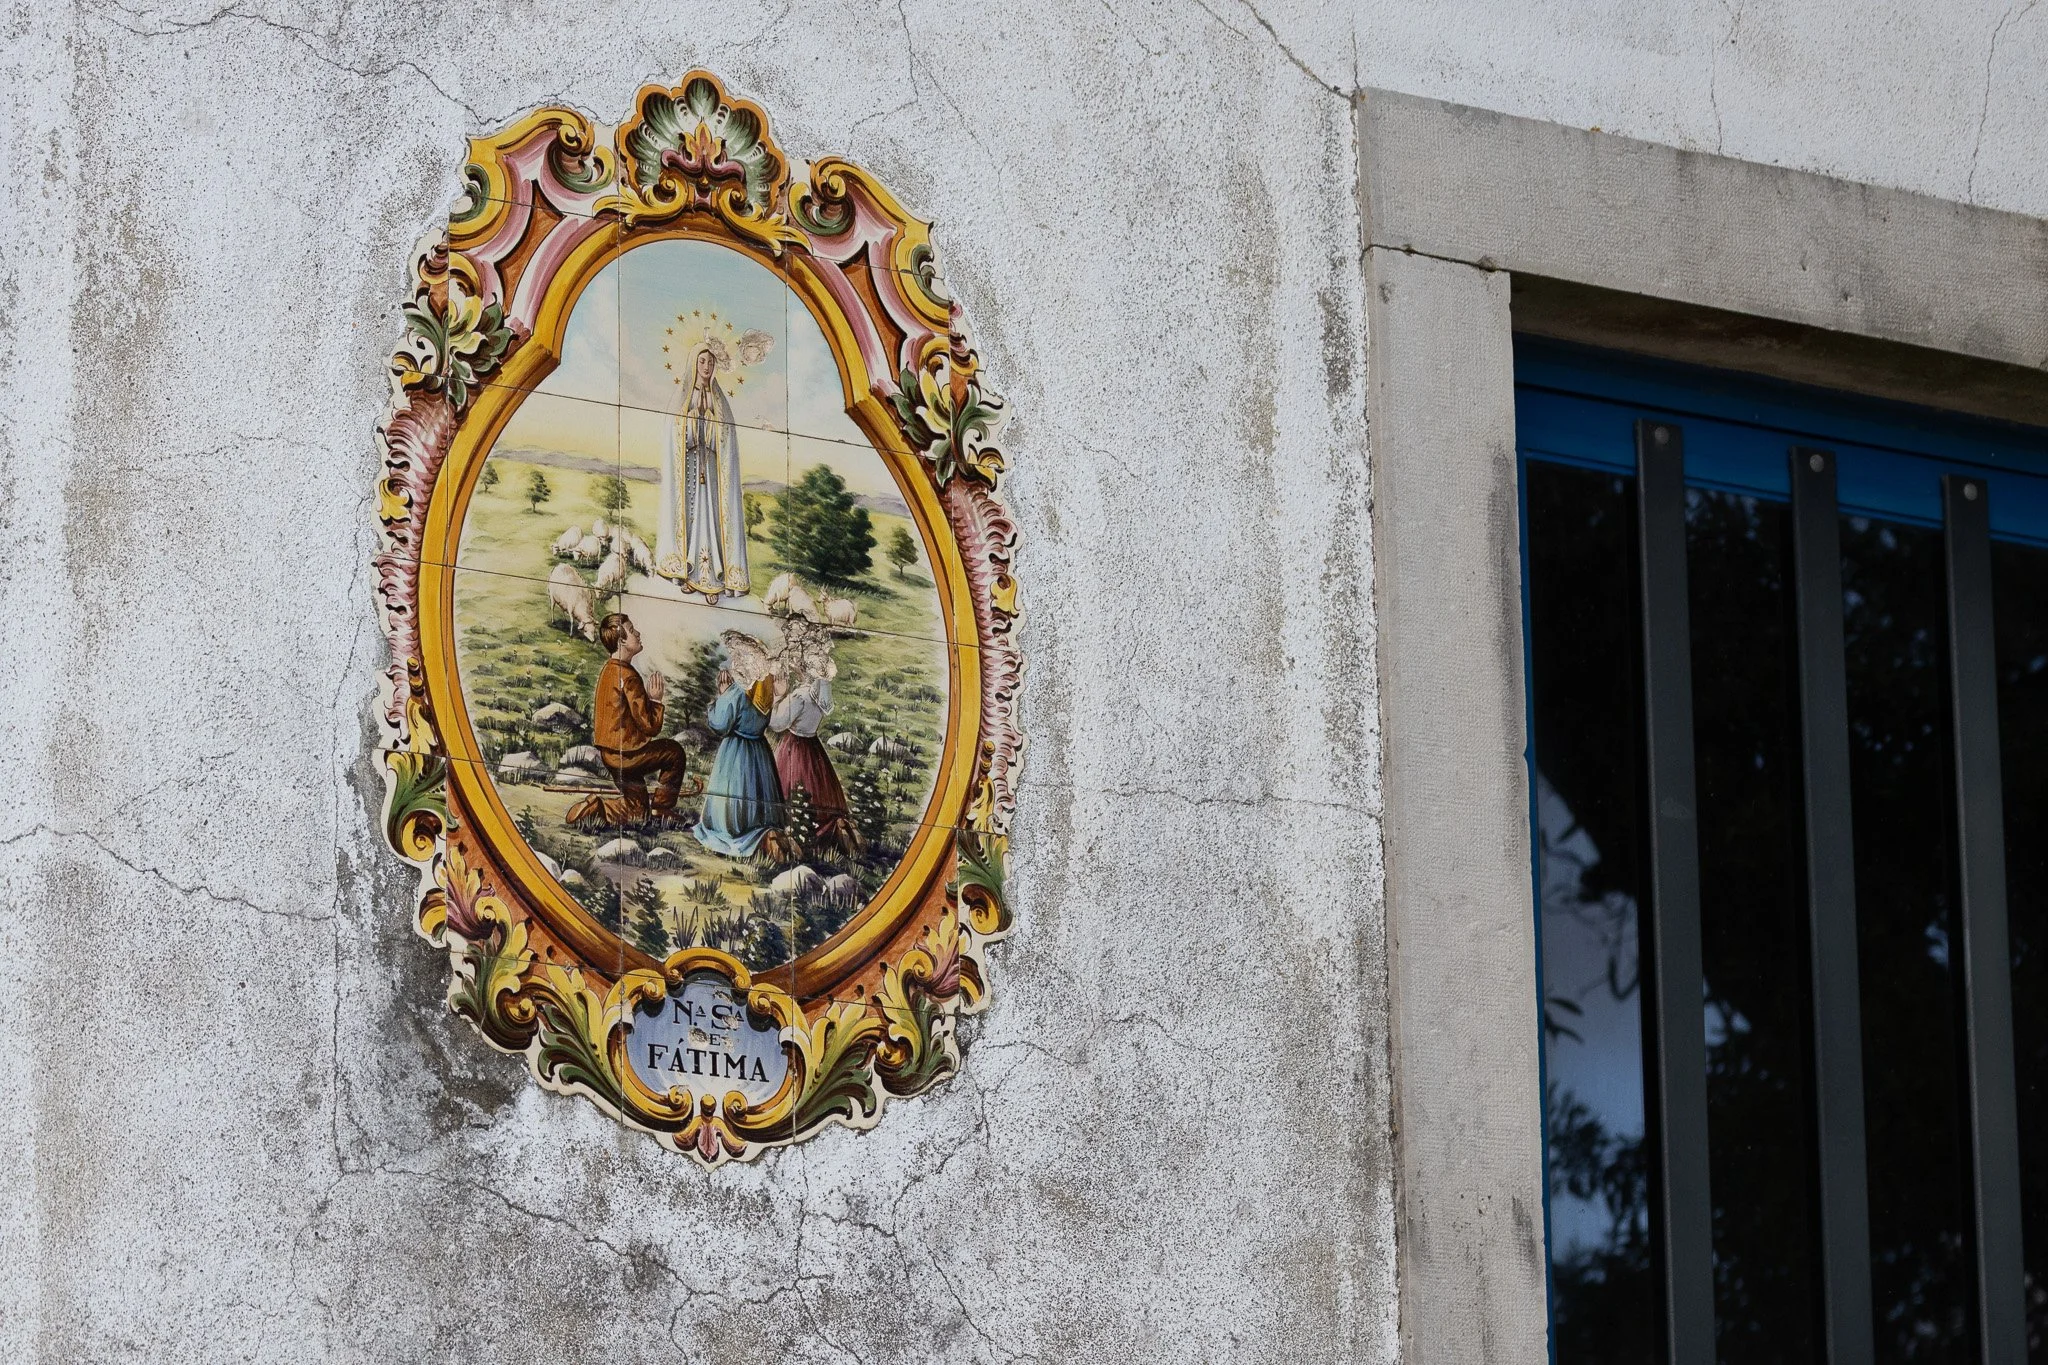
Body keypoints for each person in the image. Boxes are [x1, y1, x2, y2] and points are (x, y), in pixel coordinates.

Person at [565, 614, 688, 828]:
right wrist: (656, 701)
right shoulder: (629, 677)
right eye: (632, 630)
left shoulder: (608, 670)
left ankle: (598, 808)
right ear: (621, 640)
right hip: (629, 756)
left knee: (638, 812)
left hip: (610, 755)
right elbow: (650, 726)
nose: (638, 633)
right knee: (674, 752)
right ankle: (662, 808)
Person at [657, 339, 750, 604]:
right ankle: (689, 573)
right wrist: (690, 426)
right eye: (702, 361)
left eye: (711, 362)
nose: (707, 366)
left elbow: (727, 438)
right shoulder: (684, 398)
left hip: (712, 471)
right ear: (694, 364)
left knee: (711, 518)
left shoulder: (719, 401)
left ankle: (715, 578)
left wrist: (711, 425)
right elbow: (675, 433)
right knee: (691, 518)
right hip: (689, 469)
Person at [693, 631, 783, 858]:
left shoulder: (738, 691)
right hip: (759, 751)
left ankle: (731, 834)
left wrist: (721, 694)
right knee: (758, 796)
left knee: (733, 799)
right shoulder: (764, 690)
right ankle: (764, 834)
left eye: (739, 658)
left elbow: (719, 723)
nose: (735, 663)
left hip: (735, 754)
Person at [769, 647, 850, 842]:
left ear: (804, 668)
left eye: (797, 663)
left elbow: (776, 724)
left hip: (794, 749)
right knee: (820, 789)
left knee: (790, 788)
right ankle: (836, 826)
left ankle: (794, 830)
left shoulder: (799, 696)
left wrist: (778, 696)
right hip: (814, 748)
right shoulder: (820, 693)